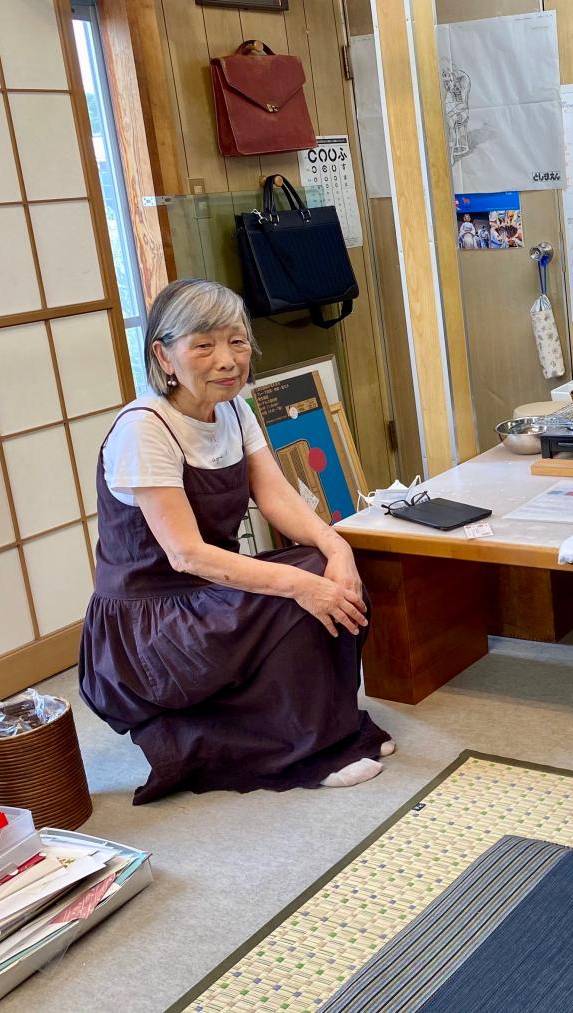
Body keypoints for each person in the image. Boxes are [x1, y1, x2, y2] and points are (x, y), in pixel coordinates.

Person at [79, 279, 391, 805]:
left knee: (325, 570)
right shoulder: (145, 429)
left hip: (199, 596)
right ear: (164, 355)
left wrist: (340, 551)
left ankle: (324, 727)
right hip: (147, 626)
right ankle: (308, 749)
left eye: (238, 342)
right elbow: (187, 554)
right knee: (299, 596)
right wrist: (298, 585)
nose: (227, 359)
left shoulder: (234, 411)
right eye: (203, 345)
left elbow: (279, 501)